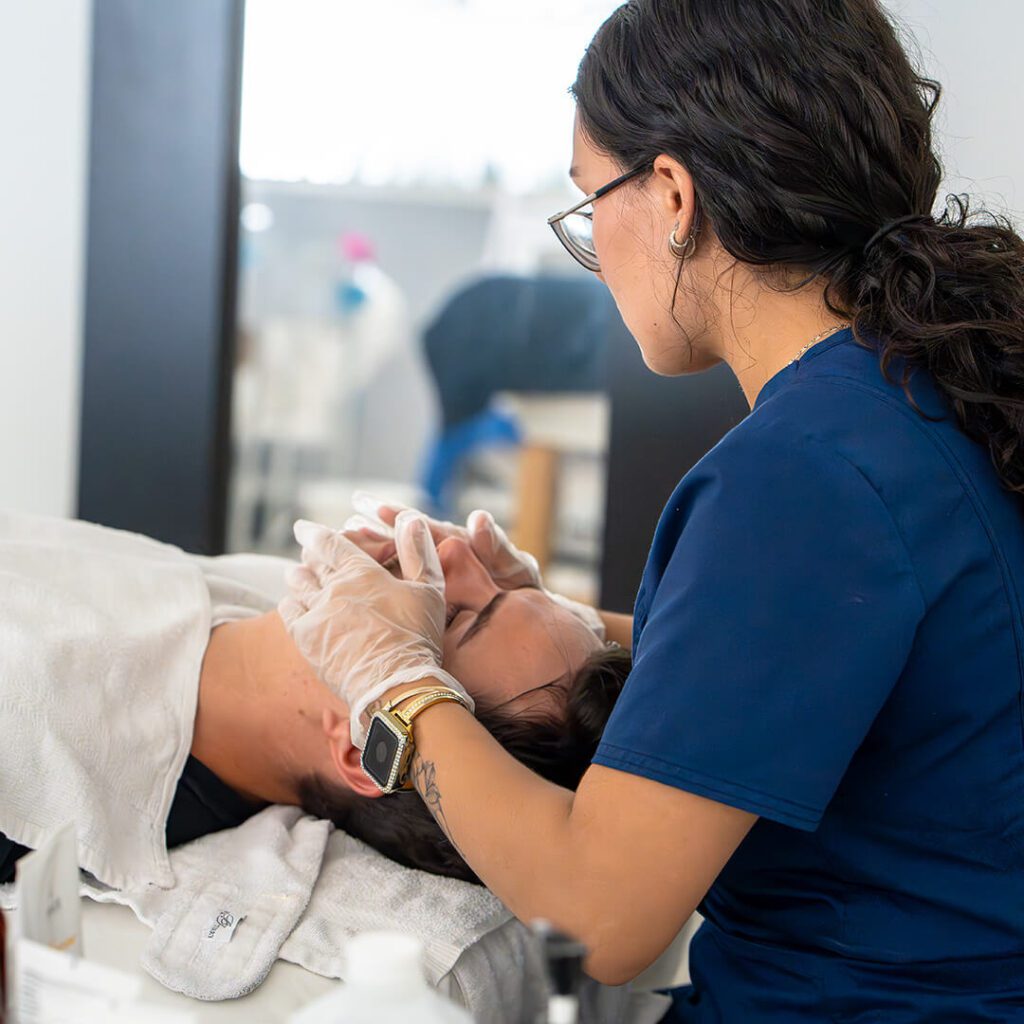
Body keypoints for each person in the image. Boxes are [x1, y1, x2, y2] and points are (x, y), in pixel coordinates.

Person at [280, 1, 1024, 1020]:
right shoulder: (918, 397)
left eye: (592, 203)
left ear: (672, 195)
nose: (596, 244)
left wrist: (394, 683)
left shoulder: (796, 477)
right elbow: (847, 658)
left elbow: (601, 916)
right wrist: (572, 622)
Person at [0, 512, 629, 887]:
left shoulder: (43, 781)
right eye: (502, 581)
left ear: (364, 747)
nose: (457, 548)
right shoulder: (242, 604)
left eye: (454, 613)